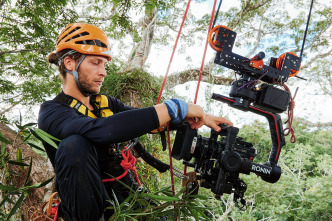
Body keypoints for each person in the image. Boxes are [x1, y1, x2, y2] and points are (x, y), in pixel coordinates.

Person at [38, 23, 233, 221]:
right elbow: (102, 130)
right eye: (95, 62)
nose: (103, 72)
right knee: (74, 145)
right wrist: (174, 107)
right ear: (69, 63)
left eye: (104, 65)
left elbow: (144, 121)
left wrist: (191, 117)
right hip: (87, 207)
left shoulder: (105, 103)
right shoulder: (52, 111)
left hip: (125, 196)